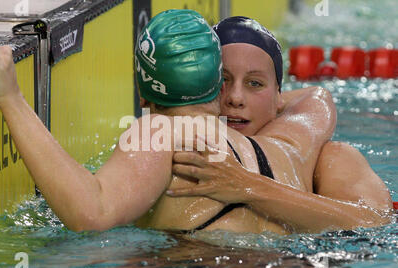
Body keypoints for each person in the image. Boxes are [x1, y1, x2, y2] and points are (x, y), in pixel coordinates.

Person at [0, 10, 333, 234]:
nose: (237, 98)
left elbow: (91, 213)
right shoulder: (282, 147)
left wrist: (12, 100)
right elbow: (317, 99)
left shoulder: (161, 132)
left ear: (143, 95)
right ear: (218, 85)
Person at [166, 16, 394, 233]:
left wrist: (248, 186)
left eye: (254, 84)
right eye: (221, 80)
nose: (235, 98)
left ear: (279, 98)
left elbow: (372, 221)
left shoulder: (329, 158)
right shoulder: (178, 149)